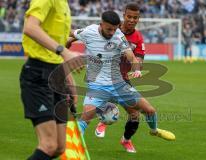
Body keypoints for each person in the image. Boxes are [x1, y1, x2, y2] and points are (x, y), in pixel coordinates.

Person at [72, 10, 176, 151]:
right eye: (109, 29)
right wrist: (66, 45)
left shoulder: (119, 36)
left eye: (115, 29)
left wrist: (136, 68)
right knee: (84, 119)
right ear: (101, 24)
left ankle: (154, 131)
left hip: (119, 84)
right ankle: (75, 149)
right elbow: (71, 34)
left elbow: (131, 56)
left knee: (149, 110)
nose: (112, 32)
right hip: (97, 85)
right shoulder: (89, 31)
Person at [20, 0, 81, 159]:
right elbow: (30, 27)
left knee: (59, 147)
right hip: (38, 74)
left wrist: (69, 80)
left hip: (57, 76)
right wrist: (63, 51)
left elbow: (57, 50)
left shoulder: (64, 3)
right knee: (48, 145)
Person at [94, 3, 145, 153]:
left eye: (135, 17)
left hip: (123, 79)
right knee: (109, 101)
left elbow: (140, 58)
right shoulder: (112, 29)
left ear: (138, 19)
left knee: (135, 114)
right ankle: (102, 122)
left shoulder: (138, 38)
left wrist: (137, 67)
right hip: (105, 75)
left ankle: (126, 140)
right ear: (124, 15)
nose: (131, 20)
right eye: (129, 16)